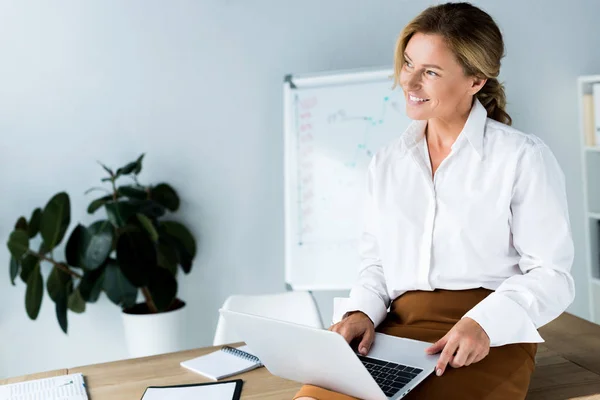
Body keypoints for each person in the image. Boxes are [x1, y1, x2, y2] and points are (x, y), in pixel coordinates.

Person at [294, 2, 575, 400]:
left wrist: (485, 324)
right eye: (408, 64)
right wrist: (359, 313)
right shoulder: (388, 161)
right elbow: (375, 263)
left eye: (430, 72)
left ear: (475, 81)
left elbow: (552, 276)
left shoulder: (523, 157)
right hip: (393, 329)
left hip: (485, 335)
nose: (409, 82)